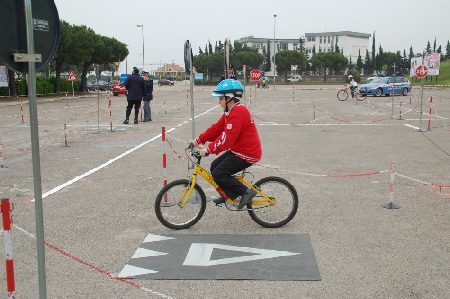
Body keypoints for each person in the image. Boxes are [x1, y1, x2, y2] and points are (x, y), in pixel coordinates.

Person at [189, 79, 262, 210]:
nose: (219, 102)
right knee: (214, 166)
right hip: (239, 150)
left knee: (219, 173)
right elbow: (216, 129)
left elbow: (226, 138)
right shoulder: (231, 111)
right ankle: (229, 194)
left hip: (248, 153)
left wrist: (208, 150)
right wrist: (198, 140)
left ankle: (246, 192)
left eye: (221, 99)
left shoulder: (239, 112)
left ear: (230, 98)